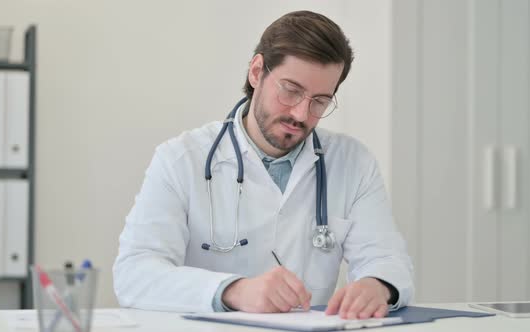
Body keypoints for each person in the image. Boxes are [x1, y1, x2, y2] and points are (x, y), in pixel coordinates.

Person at [113, 10, 413, 319]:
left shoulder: (353, 163)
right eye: (291, 91)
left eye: (320, 101)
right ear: (256, 72)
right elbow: (134, 274)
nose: (300, 114)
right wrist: (233, 290)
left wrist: (378, 286)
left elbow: (389, 260)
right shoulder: (181, 159)